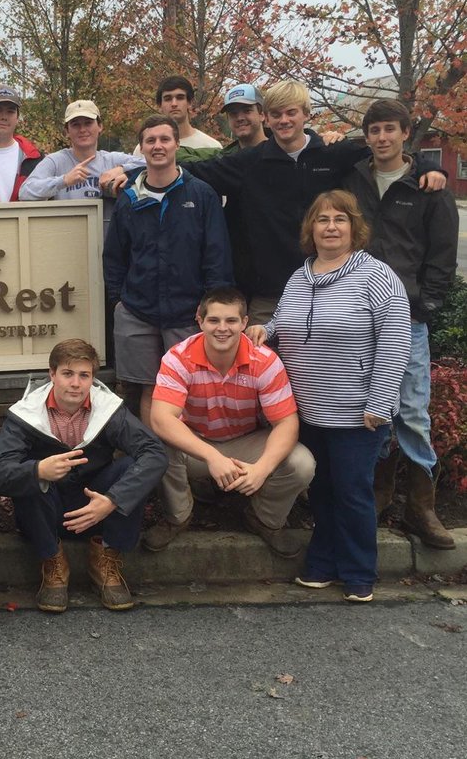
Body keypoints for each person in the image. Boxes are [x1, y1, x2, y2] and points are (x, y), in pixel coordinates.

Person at [248, 190, 411, 602]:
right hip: (307, 408)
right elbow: (283, 318)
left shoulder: (376, 276)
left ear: (355, 228)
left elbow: (395, 342)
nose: (331, 226)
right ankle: (322, 563)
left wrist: (379, 401)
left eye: (340, 219)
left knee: (352, 492)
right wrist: (263, 331)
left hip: (357, 412)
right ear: (311, 229)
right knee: (321, 490)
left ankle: (359, 572)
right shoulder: (301, 276)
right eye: (323, 220)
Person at [185, 80, 445, 323]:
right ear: (266, 117)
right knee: (261, 368)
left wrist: (427, 166)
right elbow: (194, 171)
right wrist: (148, 165)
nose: (283, 120)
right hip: (269, 295)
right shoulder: (249, 162)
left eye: (291, 113)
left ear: (306, 114)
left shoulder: (332, 154)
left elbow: (385, 153)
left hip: (328, 289)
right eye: (276, 114)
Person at [342, 99, 459, 549]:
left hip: (407, 318)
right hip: (359, 316)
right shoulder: (353, 179)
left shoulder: (429, 188)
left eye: (390, 129)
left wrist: (423, 306)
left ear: (405, 133)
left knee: (411, 411)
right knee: (372, 410)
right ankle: (379, 493)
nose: (382, 138)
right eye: (374, 130)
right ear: (367, 136)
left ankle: (421, 506)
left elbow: (442, 256)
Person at [0, 339, 167, 612]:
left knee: (133, 463)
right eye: (67, 374)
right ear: (52, 374)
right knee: (25, 473)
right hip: (48, 510)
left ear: (92, 378)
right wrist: (39, 470)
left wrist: (112, 500)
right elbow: (0, 473)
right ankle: (53, 561)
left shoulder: (109, 410)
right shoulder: (25, 414)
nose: (75, 383)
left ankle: (105, 557)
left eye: (84, 375)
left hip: (96, 506)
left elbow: (154, 454)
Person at [148, 288, 315, 557]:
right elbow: (161, 418)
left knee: (301, 463)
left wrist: (262, 468)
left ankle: (264, 519)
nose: (222, 329)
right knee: (157, 447)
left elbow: (286, 424)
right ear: (199, 320)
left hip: (247, 441)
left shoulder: (265, 361)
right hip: (197, 442)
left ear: (245, 323)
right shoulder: (178, 357)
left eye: (231, 321)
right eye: (213, 320)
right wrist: (212, 456)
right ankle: (177, 517)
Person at [103, 116, 233, 427]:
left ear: (176, 144)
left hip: (187, 312)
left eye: (164, 139)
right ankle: (156, 466)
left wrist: (211, 307)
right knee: (148, 389)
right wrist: (118, 300)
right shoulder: (129, 198)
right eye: (151, 140)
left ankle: (186, 466)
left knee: (186, 389)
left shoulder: (201, 195)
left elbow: (217, 254)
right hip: (138, 310)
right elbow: (114, 256)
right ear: (142, 147)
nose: (158, 146)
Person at [17, 99, 145, 224]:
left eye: (88, 123)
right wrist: (64, 180)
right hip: (68, 236)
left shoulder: (112, 160)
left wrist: (123, 170)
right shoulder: (56, 161)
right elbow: (25, 192)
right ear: (67, 131)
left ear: (100, 126)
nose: (82, 129)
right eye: (75, 124)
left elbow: (152, 165)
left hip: (107, 239)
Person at [156, 75, 222, 149]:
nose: (174, 104)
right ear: (160, 105)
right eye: (168, 99)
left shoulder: (211, 147)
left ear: (190, 102)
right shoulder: (148, 149)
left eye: (180, 98)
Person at [220, 84, 268, 152]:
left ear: (262, 115)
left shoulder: (282, 153)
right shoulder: (223, 160)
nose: (239, 118)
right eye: (233, 113)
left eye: (247, 111)